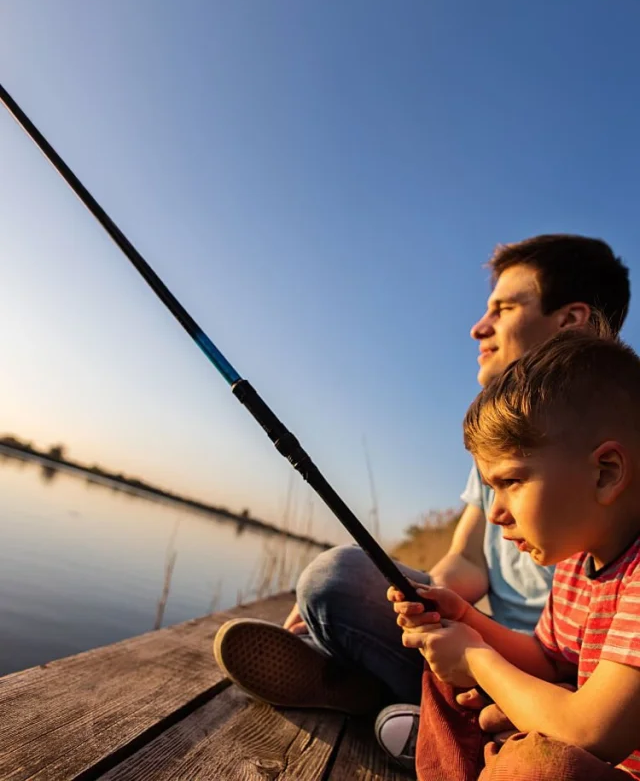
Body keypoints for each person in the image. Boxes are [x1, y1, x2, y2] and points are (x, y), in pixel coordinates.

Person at [213, 235, 630, 766]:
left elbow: (591, 718)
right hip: (515, 655)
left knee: (544, 762)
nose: (479, 327)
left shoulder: (610, 494)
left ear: (571, 319)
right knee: (333, 579)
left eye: (502, 308)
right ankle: (396, 701)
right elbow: (469, 559)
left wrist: (479, 659)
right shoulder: (503, 451)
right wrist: (430, 606)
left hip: (582, 692)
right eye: (494, 483)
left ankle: (397, 704)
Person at [391, 325, 640, 780]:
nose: (497, 513)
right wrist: (465, 621)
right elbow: (547, 661)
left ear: (605, 472)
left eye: (511, 482)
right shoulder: (574, 565)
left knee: (541, 769)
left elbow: (590, 732)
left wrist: (476, 658)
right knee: (448, 678)